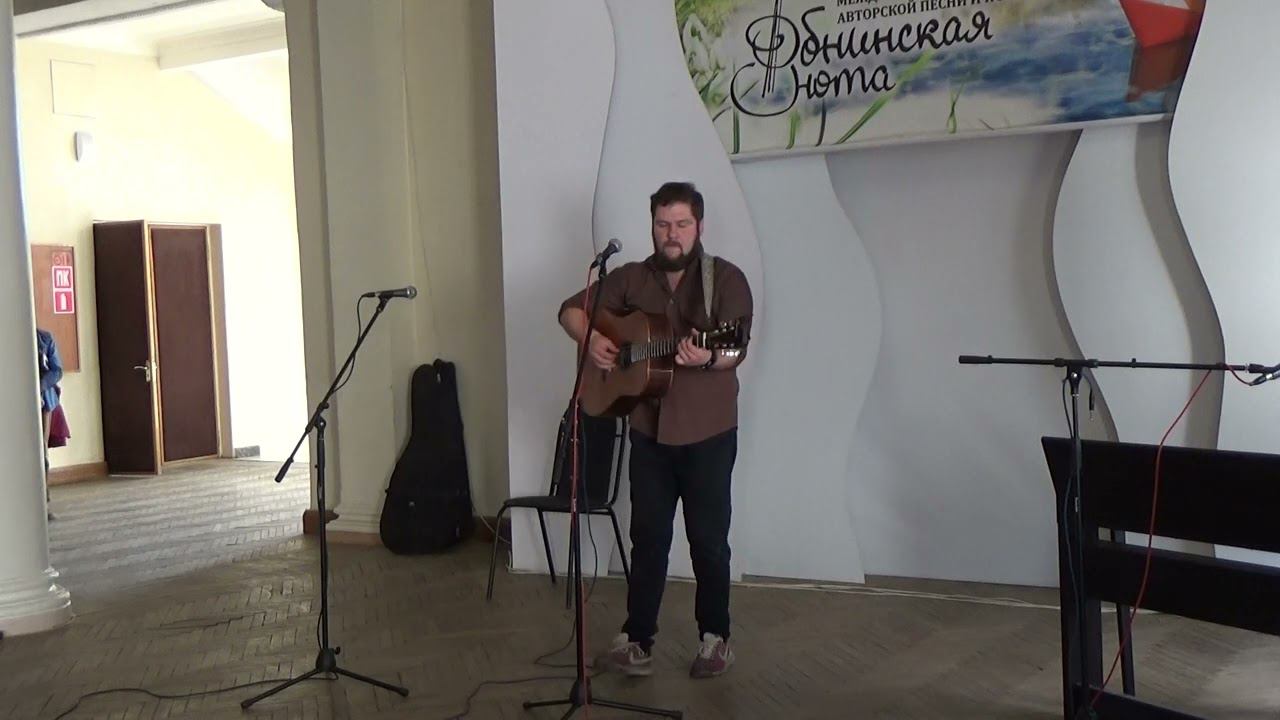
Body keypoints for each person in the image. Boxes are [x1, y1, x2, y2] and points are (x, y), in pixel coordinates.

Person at [557, 181, 753, 679]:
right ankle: (637, 640)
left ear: (699, 226)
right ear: (652, 225)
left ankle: (715, 639)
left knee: (708, 540)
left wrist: (707, 357)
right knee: (647, 539)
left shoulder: (725, 279)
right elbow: (570, 311)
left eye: (682, 224)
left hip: (707, 431)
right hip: (648, 430)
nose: (672, 234)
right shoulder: (630, 277)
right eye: (663, 224)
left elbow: (735, 349)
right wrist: (592, 340)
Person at [37, 328, 62, 521]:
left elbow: (57, 370)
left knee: (41, 452)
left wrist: (39, 386)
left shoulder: (45, 338)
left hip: (43, 402)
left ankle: (42, 506)